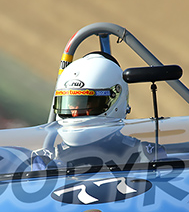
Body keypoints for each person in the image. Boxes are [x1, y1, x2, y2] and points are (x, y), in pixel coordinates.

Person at [33, 52, 164, 170]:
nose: (75, 113)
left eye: (87, 103)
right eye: (71, 104)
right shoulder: (42, 163)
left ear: (115, 99)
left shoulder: (147, 156)